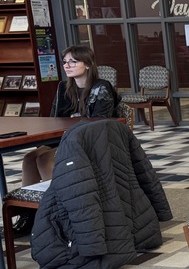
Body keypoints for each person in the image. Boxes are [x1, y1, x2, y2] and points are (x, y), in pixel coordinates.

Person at [19, 44, 119, 186]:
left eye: (73, 62)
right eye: (65, 62)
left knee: (44, 160)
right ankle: (31, 199)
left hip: (89, 140)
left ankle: (56, 199)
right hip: (62, 138)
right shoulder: (63, 88)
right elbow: (54, 119)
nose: (67, 66)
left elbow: (100, 123)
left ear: (88, 64)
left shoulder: (101, 87)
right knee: (29, 159)